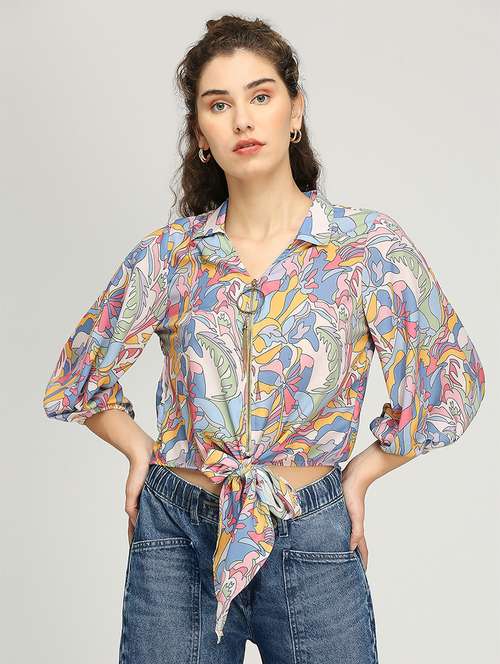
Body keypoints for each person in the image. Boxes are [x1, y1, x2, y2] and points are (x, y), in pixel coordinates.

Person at [42, 14, 486, 664]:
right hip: (178, 536)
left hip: (311, 534)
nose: (243, 120)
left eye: (260, 95)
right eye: (219, 104)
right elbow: (79, 375)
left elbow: (451, 378)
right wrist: (140, 450)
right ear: (201, 133)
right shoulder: (172, 255)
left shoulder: (364, 247)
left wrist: (360, 475)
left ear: (295, 109)